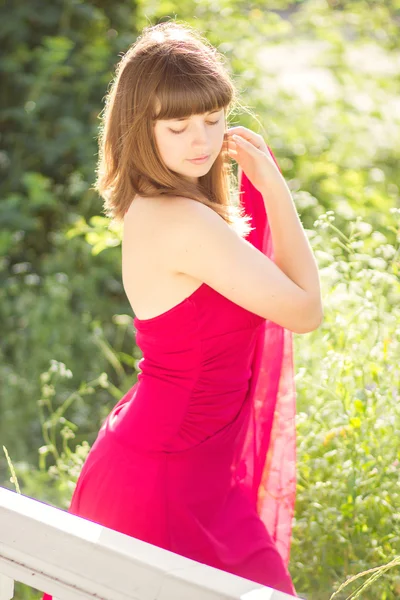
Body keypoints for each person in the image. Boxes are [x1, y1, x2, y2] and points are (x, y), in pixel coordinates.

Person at [43, 20, 323, 599]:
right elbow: (304, 310)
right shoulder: (182, 220)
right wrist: (276, 191)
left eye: (214, 120)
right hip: (165, 479)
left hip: (186, 470)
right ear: (139, 129)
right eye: (178, 126)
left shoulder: (166, 204)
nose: (202, 140)